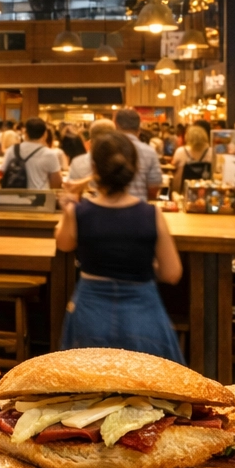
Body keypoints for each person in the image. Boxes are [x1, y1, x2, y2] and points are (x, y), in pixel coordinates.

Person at [56, 133, 184, 359]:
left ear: (94, 167)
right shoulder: (151, 214)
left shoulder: (79, 213)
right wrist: (140, 264)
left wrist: (68, 208)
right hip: (142, 312)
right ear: (134, 168)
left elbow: (64, 244)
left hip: (91, 310)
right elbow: (172, 273)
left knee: (85, 389)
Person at [111, 109, 164, 201]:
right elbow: (154, 188)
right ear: (139, 127)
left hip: (107, 210)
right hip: (139, 208)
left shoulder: (106, 148)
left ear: (116, 125)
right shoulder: (150, 152)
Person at [0, 117, 63, 190]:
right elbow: (56, 183)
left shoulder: (12, 150)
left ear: (25, 132)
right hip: (41, 198)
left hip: (15, 197)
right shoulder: (49, 154)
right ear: (45, 134)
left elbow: (2, 173)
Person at [171, 125, 215, 194]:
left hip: (181, 190)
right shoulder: (212, 152)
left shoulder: (181, 151)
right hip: (206, 190)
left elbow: (173, 166)